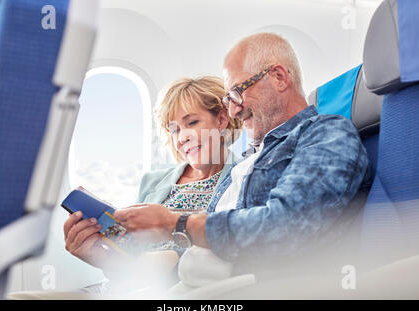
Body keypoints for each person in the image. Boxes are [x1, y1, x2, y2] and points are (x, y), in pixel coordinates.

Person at [113, 32, 372, 285]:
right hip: (196, 284)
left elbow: (285, 227)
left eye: (237, 92)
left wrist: (174, 222)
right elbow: (201, 245)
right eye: (228, 99)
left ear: (279, 78)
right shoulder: (253, 157)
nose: (234, 110)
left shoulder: (326, 133)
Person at [61, 76, 242, 293]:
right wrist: (100, 248)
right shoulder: (153, 181)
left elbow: (203, 258)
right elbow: (130, 251)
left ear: (222, 120)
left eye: (192, 123)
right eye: (174, 130)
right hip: (119, 288)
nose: (182, 137)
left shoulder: (241, 178)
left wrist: (113, 262)